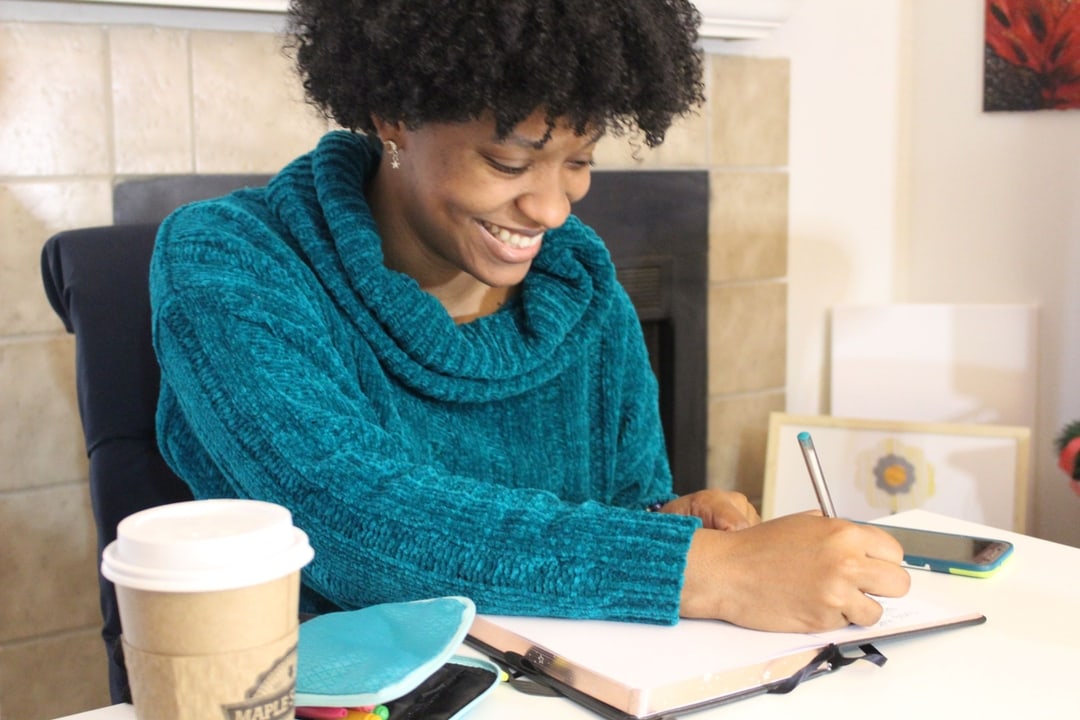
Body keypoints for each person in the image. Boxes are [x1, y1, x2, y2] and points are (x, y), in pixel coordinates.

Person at [150, 0, 910, 634]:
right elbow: (339, 518)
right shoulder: (231, 258)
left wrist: (667, 519)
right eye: (508, 164)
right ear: (394, 117)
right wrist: (706, 572)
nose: (550, 208)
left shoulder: (581, 292)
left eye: (578, 162)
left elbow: (614, 510)